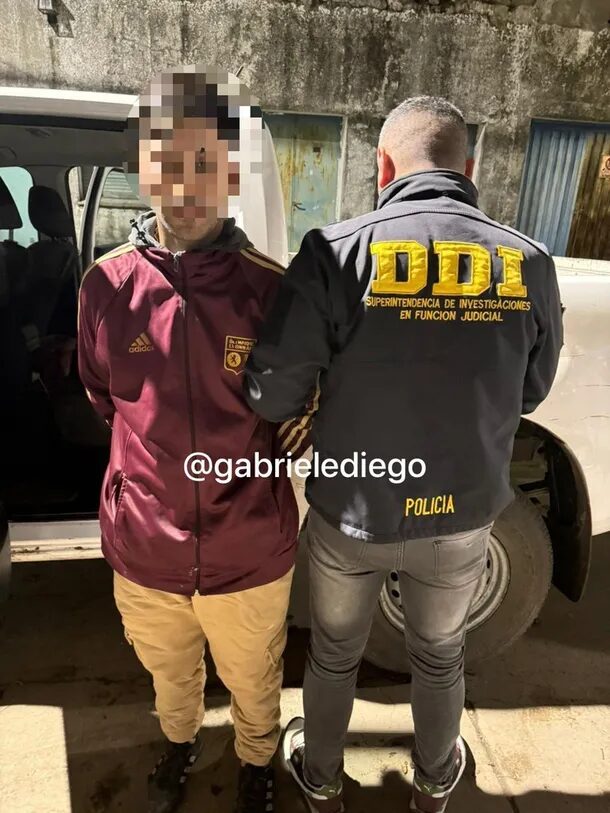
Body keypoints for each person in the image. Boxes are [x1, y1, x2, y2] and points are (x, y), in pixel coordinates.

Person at [244, 96, 563, 813]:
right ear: (469, 167)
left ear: (383, 167)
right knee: (440, 655)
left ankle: (321, 780)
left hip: (352, 511)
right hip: (461, 516)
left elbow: (273, 392)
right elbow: (532, 390)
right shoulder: (528, 261)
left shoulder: (333, 252)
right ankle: (434, 783)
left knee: (334, 652)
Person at [78, 67, 310, 813]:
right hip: (147, 549)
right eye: (167, 161)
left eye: (206, 161)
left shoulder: (271, 289)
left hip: (249, 549)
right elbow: (103, 396)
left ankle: (255, 760)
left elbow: (297, 411)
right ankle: (179, 744)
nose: (186, 183)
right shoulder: (105, 287)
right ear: (143, 169)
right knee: (169, 672)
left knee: (254, 675)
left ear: (232, 172)